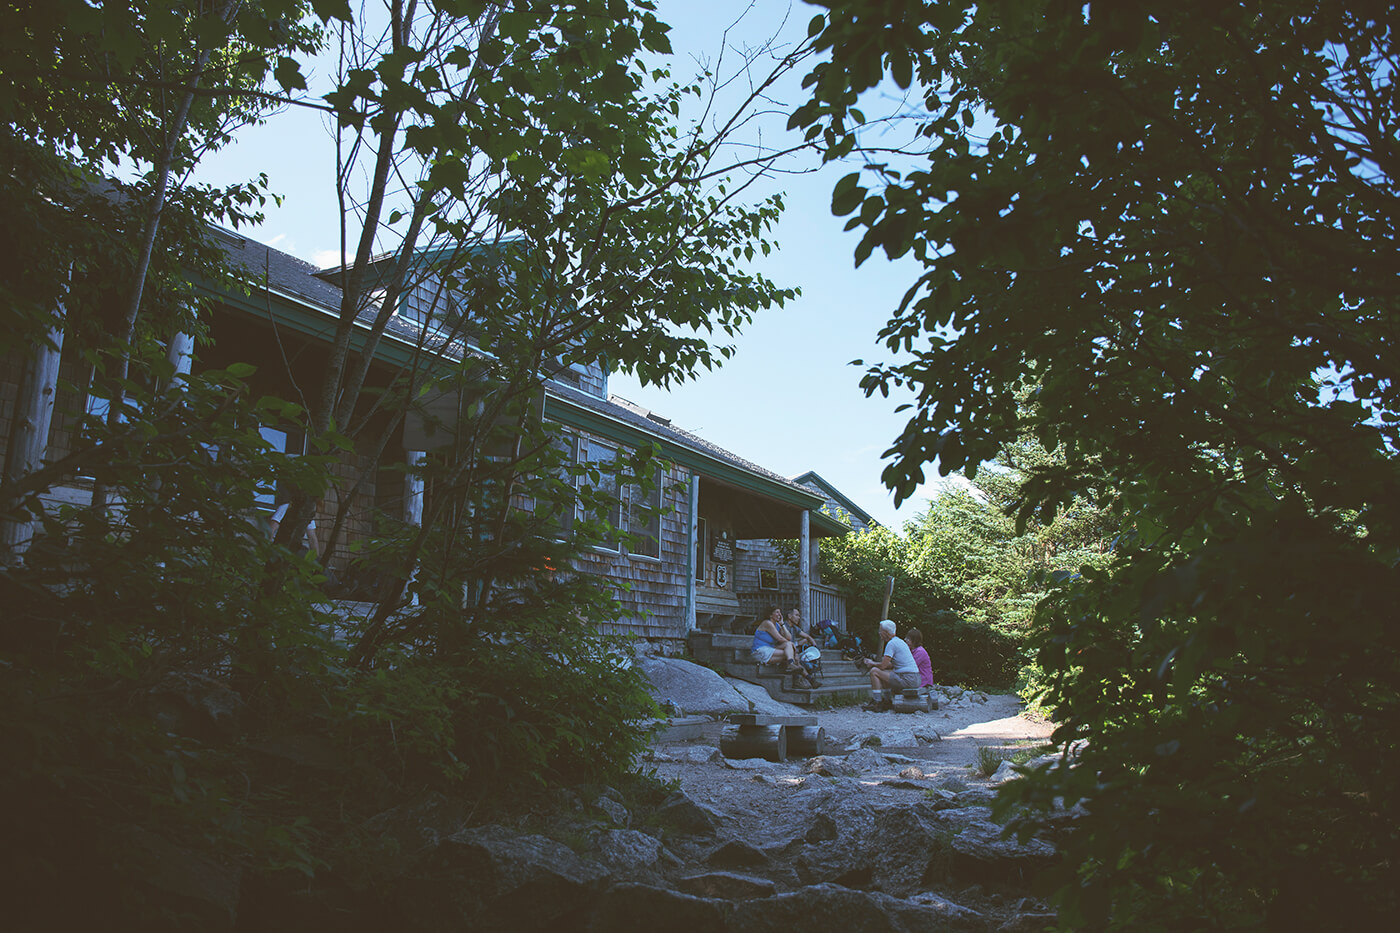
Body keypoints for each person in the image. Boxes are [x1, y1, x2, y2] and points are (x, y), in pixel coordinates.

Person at [861, 619, 921, 710]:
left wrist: (872, 663)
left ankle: (877, 702)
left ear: (885, 632)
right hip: (914, 678)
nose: (879, 633)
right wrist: (875, 663)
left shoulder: (891, 644)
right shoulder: (899, 642)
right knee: (884, 673)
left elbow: (883, 666)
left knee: (874, 671)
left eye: (880, 631)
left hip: (907, 678)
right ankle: (887, 701)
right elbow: (889, 665)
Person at [751, 605, 801, 673]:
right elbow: (780, 638)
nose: (780, 615)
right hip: (759, 651)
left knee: (789, 650)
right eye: (777, 612)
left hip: (770, 649)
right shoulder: (767, 623)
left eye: (780, 612)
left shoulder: (777, 625)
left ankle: (790, 664)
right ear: (771, 615)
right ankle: (790, 664)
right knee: (789, 653)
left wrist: (782, 624)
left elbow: (789, 637)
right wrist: (794, 649)